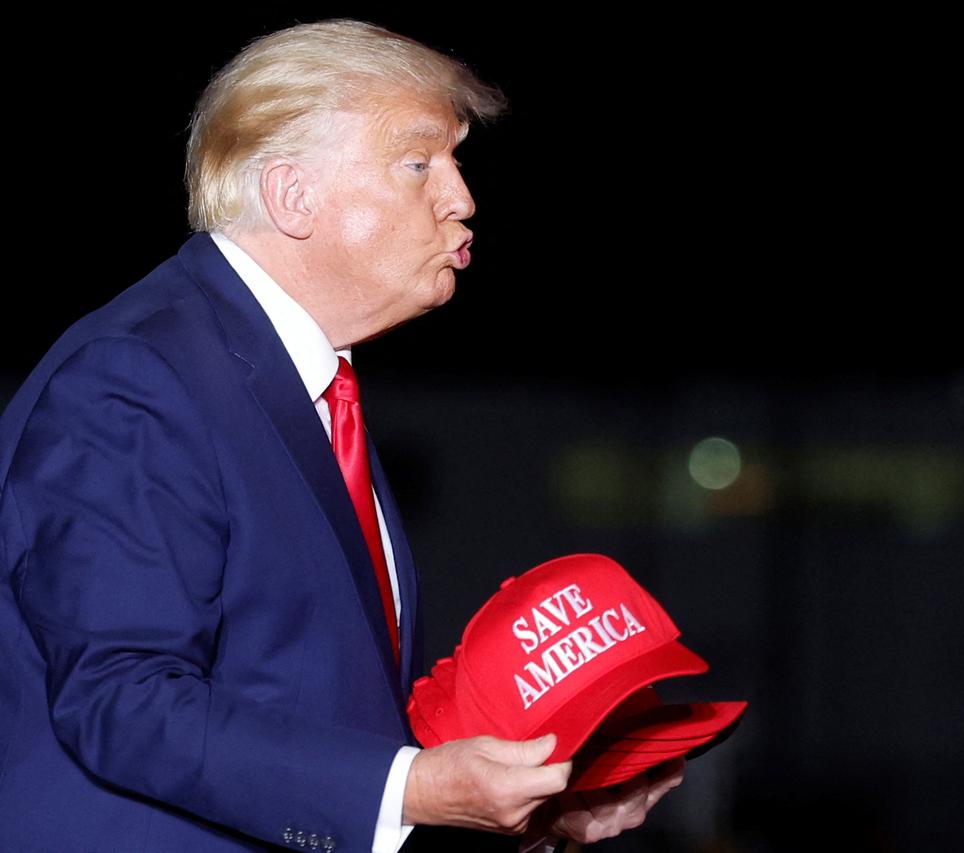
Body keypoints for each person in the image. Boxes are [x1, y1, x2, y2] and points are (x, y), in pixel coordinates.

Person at [0, 18, 683, 853]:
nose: (462, 197)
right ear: (293, 195)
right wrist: (415, 786)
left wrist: (524, 813)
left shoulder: (303, 385)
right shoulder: (141, 379)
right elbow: (123, 700)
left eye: (457, 162)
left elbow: (307, 720)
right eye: (419, 162)